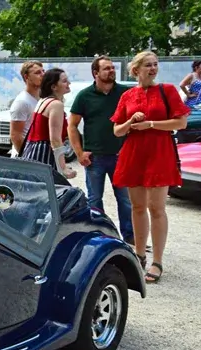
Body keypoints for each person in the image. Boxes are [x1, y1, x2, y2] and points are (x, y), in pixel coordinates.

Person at [112, 51, 189, 284]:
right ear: (136, 69)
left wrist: (151, 124)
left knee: (157, 208)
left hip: (159, 153)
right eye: (148, 65)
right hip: (134, 153)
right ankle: (139, 255)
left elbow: (181, 122)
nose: (153, 68)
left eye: (155, 64)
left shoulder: (168, 90)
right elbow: (117, 130)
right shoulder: (127, 95)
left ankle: (157, 261)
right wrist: (131, 122)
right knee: (137, 207)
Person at [69, 55, 133, 244]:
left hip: (121, 156)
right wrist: (79, 153)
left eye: (112, 67)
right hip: (94, 158)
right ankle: (99, 236)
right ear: (95, 73)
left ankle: (130, 238)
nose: (112, 71)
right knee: (95, 200)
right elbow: (72, 126)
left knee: (125, 200)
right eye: (106, 68)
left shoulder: (125, 93)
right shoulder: (84, 96)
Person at [20, 68, 75, 182]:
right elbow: (55, 140)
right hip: (45, 154)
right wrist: (62, 168)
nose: (69, 83)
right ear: (53, 86)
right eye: (64, 81)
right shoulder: (56, 104)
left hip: (33, 151)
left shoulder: (43, 101)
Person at [10, 61, 45, 156]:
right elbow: (15, 135)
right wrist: (27, 157)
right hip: (27, 156)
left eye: (43, 71)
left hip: (39, 153)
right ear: (26, 77)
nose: (43, 75)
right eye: (37, 73)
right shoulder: (22, 102)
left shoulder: (42, 98)